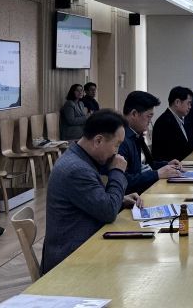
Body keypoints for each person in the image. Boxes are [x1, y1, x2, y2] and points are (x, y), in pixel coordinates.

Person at [41, 110, 143, 274]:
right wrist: (117, 171)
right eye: (116, 145)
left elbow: (96, 202)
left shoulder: (79, 157)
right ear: (98, 140)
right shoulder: (77, 170)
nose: (117, 152)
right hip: (69, 262)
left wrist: (120, 199)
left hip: (83, 249)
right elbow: (108, 211)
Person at [119, 91, 183, 194]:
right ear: (134, 114)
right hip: (136, 196)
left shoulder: (136, 135)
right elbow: (124, 180)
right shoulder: (121, 139)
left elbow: (147, 165)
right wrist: (157, 174)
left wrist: (166, 165)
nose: (150, 121)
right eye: (149, 116)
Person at [152, 86, 193, 162]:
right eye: (188, 103)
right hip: (171, 165)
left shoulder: (176, 118)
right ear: (177, 102)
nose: (190, 107)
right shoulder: (166, 121)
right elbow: (180, 149)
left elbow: (185, 143)